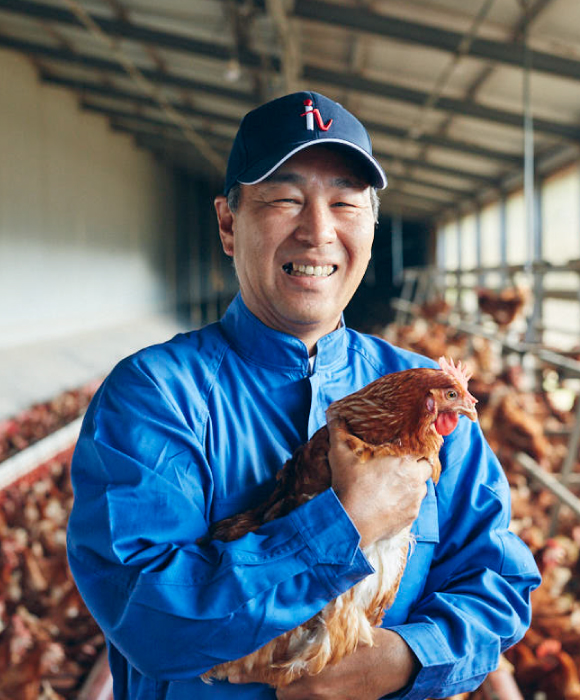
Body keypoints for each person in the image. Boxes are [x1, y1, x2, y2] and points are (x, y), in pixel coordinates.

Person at [67, 91, 540, 700]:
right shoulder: (155, 397)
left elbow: (498, 581)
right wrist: (344, 524)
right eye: (285, 199)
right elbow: (151, 617)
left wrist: (404, 660)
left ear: (371, 226)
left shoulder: (428, 394)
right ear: (229, 224)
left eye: (344, 202)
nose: (318, 231)